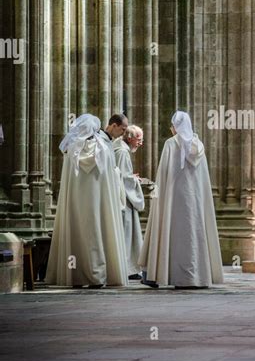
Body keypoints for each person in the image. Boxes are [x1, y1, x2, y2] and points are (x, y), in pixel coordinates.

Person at [138, 111, 223, 288]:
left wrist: (159, 197)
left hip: (174, 201)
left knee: (174, 232)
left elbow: (163, 174)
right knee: (194, 232)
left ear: (175, 127)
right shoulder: (199, 145)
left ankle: (175, 276)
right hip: (195, 201)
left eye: (172, 126)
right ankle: (197, 277)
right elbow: (202, 180)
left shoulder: (170, 144)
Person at [45, 114, 128, 288]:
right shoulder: (102, 148)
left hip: (75, 206)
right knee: (97, 232)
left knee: (76, 236)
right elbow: (111, 175)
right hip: (98, 204)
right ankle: (97, 275)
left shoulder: (70, 150)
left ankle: (74, 274)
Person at [113, 125, 145, 280]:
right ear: (130, 138)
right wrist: (135, 181)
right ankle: (127, 269)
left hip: (121, 198)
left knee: (127, 234)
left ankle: (128, 268)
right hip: (124, 200)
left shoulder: (118, 148)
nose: (141, 143)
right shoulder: (123, 152)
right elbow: (125, 180)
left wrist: (131, 178)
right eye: (139, 139)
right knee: (126, 234)